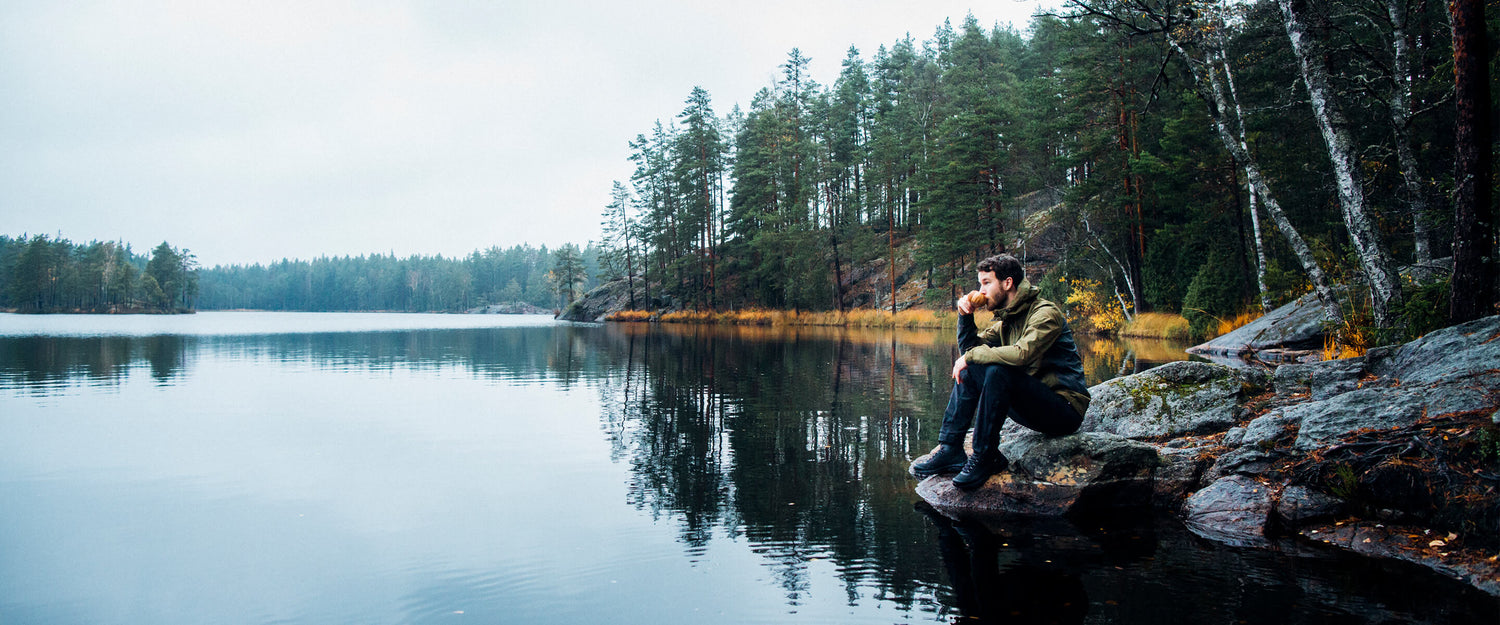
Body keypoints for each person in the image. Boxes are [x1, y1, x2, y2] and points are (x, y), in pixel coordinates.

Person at [910, 253, 1091, 490]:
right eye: (980, 284)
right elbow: (971, 351)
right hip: (1032, 406)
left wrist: (970, 357)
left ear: (1007, 283)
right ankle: (951, 448)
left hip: (1064, 411)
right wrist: (964, 317)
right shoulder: (1008, 320)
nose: (981, 291)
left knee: (997, 371)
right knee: (972, 368)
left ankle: (986, 456)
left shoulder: (1046, 314)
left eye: (986, 283)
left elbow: (1021, 354)